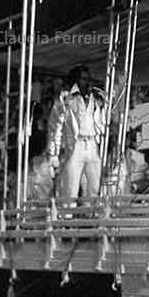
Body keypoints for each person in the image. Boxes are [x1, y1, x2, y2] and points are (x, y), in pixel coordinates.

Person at [47, 65, 106, 201]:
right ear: (76, 80)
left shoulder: (95, 97)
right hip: (75, 144)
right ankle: (66, 219)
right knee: (70, 188)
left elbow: (103, 120)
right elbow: (55, 127)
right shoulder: (66, 98)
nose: (87, 82)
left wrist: (104, 101)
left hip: (92, 144)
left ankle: (91, 218)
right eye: (83, 78)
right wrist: (53, 153)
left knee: (94, 186)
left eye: (88, 79)